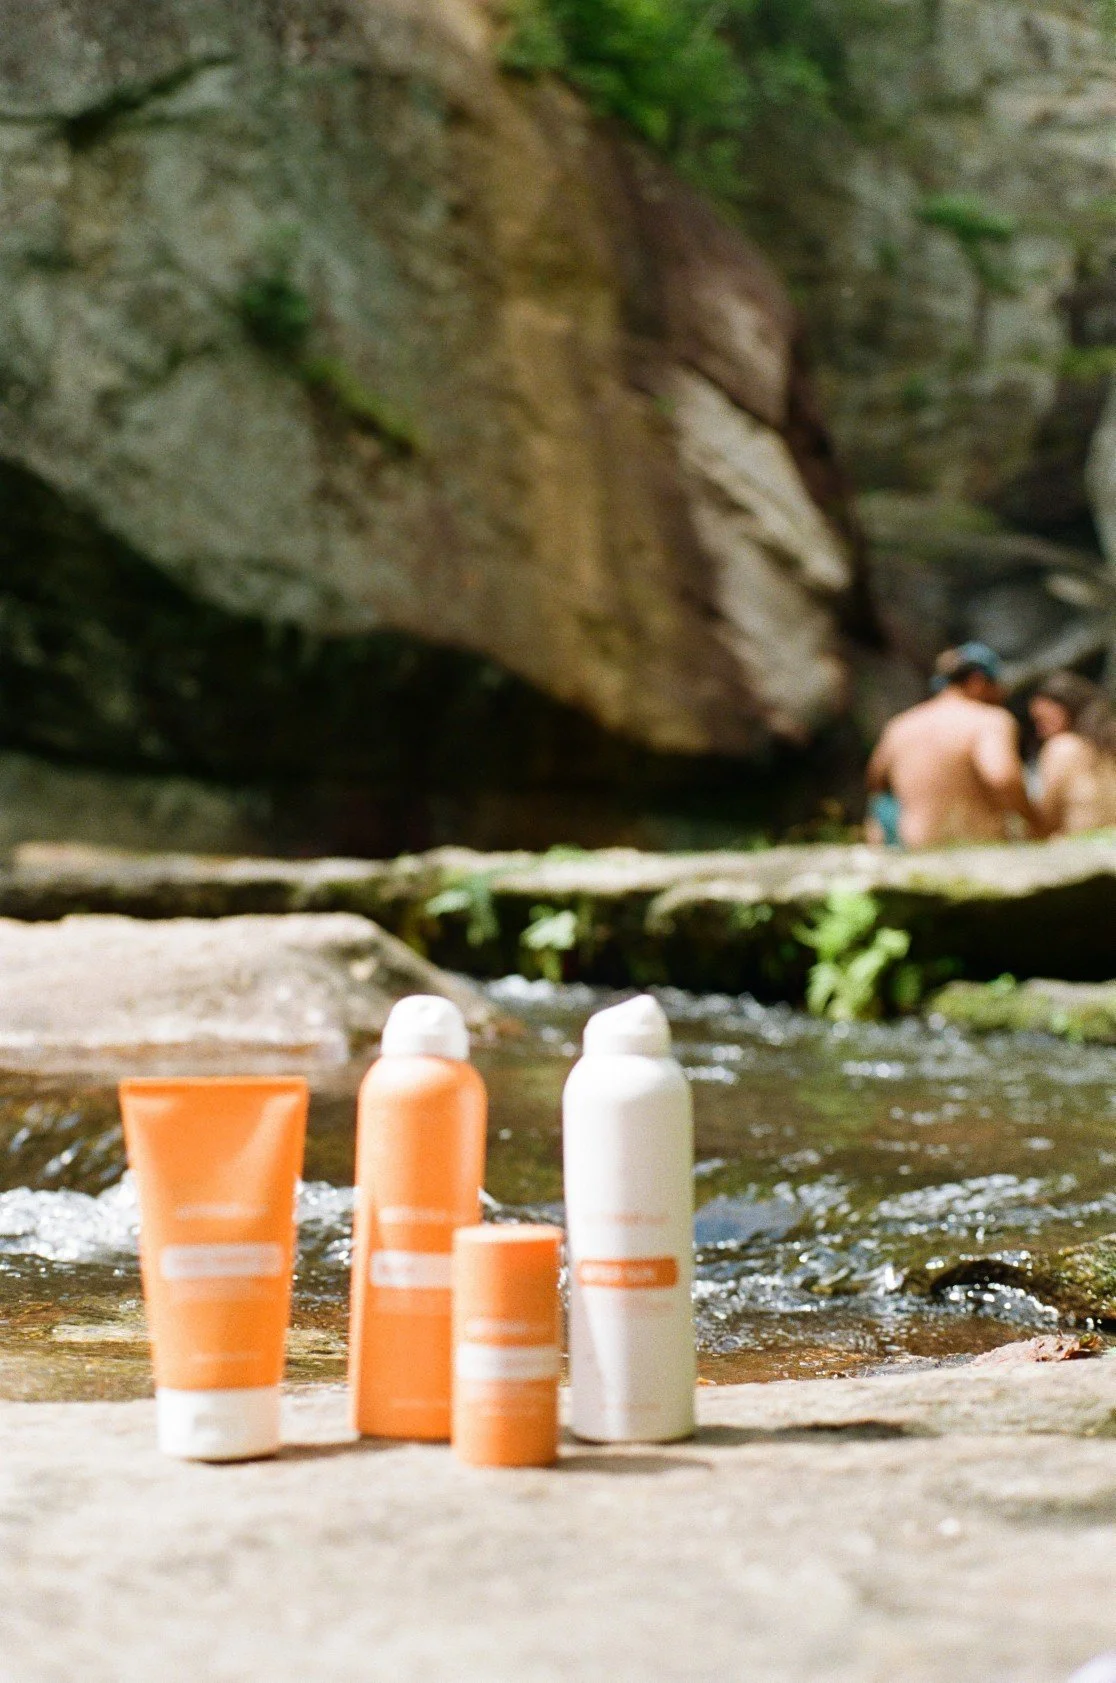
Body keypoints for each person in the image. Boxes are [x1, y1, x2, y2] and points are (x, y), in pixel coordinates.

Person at [866, 643, 1041, 848]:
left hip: (916, 853)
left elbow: (876, 782)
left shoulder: (900, 726)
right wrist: (1035, 822)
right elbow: (1002, 777)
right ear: (978, 681)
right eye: (997, 687)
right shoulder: (988, 720)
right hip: (974, 851)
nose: (1000, 696)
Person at [1029, 670, 1116, 836]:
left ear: (1065, 708)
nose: (1039, 733)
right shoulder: (1108, 743)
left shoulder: (1062, 747)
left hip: (1083, 849)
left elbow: (1047, 818)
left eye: (1042, 722)